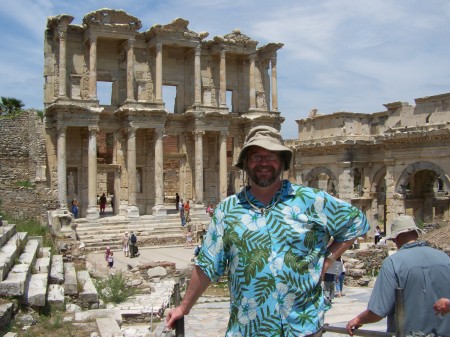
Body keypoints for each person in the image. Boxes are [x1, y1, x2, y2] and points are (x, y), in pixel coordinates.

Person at [166, 125, 369, 336]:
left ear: (282, 162)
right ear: (245, 163)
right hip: (249, 328)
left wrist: (327, 260)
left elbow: (356, 222)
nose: (264, 162)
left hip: (302, 325)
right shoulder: (226, 210)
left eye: (271, 156)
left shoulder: (311, 200)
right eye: (256, 156)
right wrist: (184, 307)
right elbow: (207, 264)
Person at [346, 215, 450, 336]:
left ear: (395, 238)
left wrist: (358, 319)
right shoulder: (444, 258)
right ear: (416, 233)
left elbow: (378, 311)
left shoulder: (393, 263)